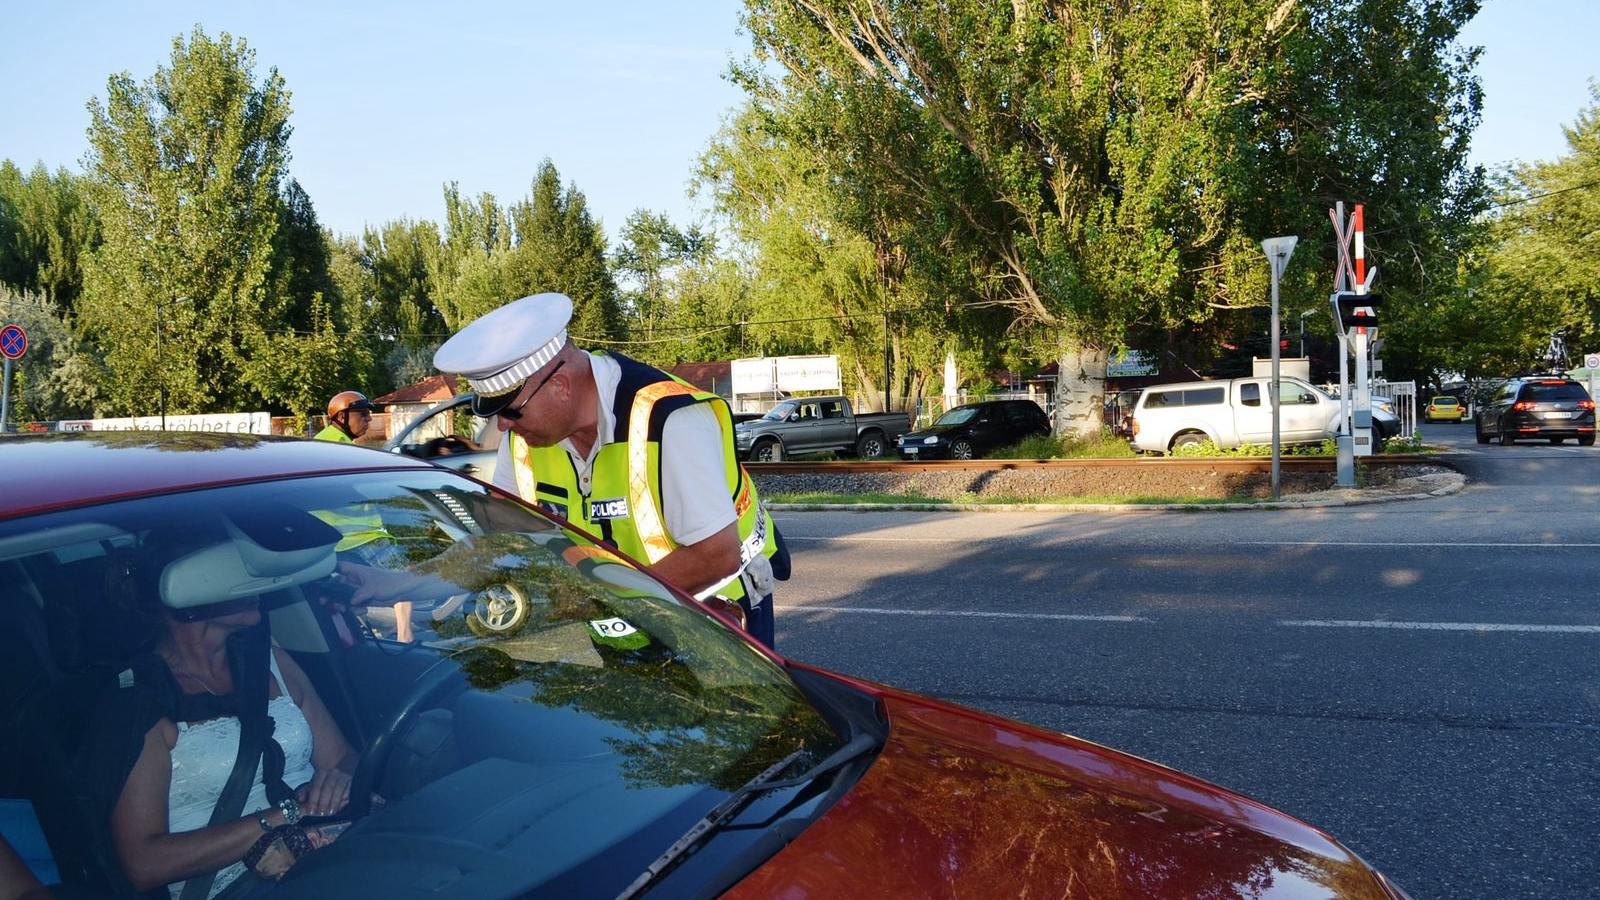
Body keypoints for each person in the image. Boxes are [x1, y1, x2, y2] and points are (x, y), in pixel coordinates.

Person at [432, 292, 786, 648]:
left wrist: (593, 598)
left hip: (717, 622)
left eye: (511, 412)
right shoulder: (526, 436)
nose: (504, 427)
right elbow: (504, 527)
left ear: (560, 386)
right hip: (623, 625)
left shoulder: (669, 421)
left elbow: (715, 557)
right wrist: (422, 577)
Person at [107, 545, 358, 899]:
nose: (253, 583)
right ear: (189, 591)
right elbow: (144, 864)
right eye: (236, 573)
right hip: (240, 885)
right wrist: (288, 813)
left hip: (328, 850)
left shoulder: (271, 662)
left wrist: (340, 779)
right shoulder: (143, 700)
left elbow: (343, 758)